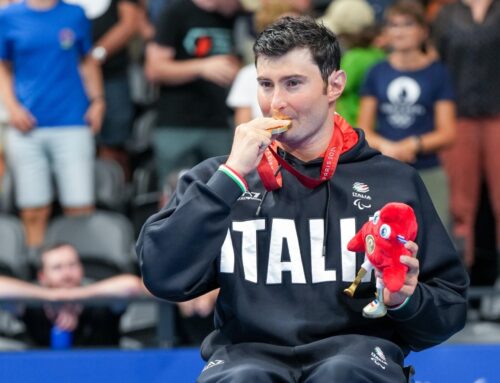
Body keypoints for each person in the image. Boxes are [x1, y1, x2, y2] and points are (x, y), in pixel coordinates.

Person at [137, 16, 468, 382]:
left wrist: (405, 301)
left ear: (334, 85)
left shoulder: (392, 180)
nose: (276, 103)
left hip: (356, 353)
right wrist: (230, 177)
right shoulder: (219, 179)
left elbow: (448, 313)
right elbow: (161, 275)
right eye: (265, 84)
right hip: (245, 356)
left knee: (342, 373)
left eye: (293, 83)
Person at [0, 0, 105, 248]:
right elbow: (2, 66)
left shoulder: (75, 14)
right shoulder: (9, 17)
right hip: (27, 126)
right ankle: (37, 271)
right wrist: (12, 108)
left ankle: (79, 271)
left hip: (72, 122)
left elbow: (86, 59)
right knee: (33, 209)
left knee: (80, 207)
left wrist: (98, 101)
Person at [357, 1, 456, 230]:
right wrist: (388, 147)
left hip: (428, 170)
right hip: (386, 167)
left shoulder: (438, 73)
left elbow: (448, 133)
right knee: (385, 236)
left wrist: (413, 144)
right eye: (393, 25)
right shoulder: (376, 71)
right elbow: (364, 128)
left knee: (434, 236)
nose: (399, 31)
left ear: (423, 31)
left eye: (407, 24)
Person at [432, 0, 500, 268]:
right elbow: (436, 61)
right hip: (457, 115)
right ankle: (459, 278)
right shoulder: (446, 13)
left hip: (498, 113)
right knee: (459, 204)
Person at [144, 0, 241, 186]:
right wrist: (201, 67)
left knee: (222, 191)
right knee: (173, 194)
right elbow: (153, 69)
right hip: (177, 122)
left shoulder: (229, 15)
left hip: (219, 121)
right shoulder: (176, 11)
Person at [0, 243, 147, 347]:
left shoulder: (102, 301)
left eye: (72, 265)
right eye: (57, 267)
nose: (67, 274)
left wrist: (75, 295)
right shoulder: (32, 305)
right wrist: (51, 296)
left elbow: (132, 285)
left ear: (81, 269)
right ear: (42, 277)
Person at [67, 0, 140, 181]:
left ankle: (114, 198)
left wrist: (95, 56)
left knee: (114, 145)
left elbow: (130, 23)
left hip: (112, 76)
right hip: (67, 80)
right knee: (70, 146)